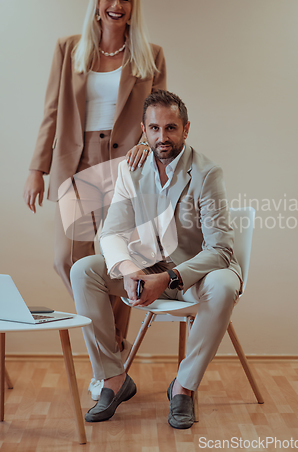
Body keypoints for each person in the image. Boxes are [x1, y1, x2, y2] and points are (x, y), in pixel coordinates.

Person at [22, 0, 166, 395]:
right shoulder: (70, 49)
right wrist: (37, 167)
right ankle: (110, 351)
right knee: (67, 259)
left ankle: (111, 364)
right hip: (77, 164)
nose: (116, 6)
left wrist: (153, 158)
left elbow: (157, 115)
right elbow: (52, 111)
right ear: (98, 2)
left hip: (127, 169)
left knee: (122, 263)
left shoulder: (150, 55)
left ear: (132, 7)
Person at [70, 90, 242, 429]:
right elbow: (111, 233)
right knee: (84, 270)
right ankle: (113, 379)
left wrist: (169, 277)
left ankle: (183, 388)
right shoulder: (131, 170)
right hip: (146, 271)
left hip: (195, 279)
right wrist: (131, 270)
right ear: (144, 130)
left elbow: (221, 249)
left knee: (224, 285)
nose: (162, 137)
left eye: (171, 128)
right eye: (154, 129)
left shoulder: (208, 173)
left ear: (186, 129)